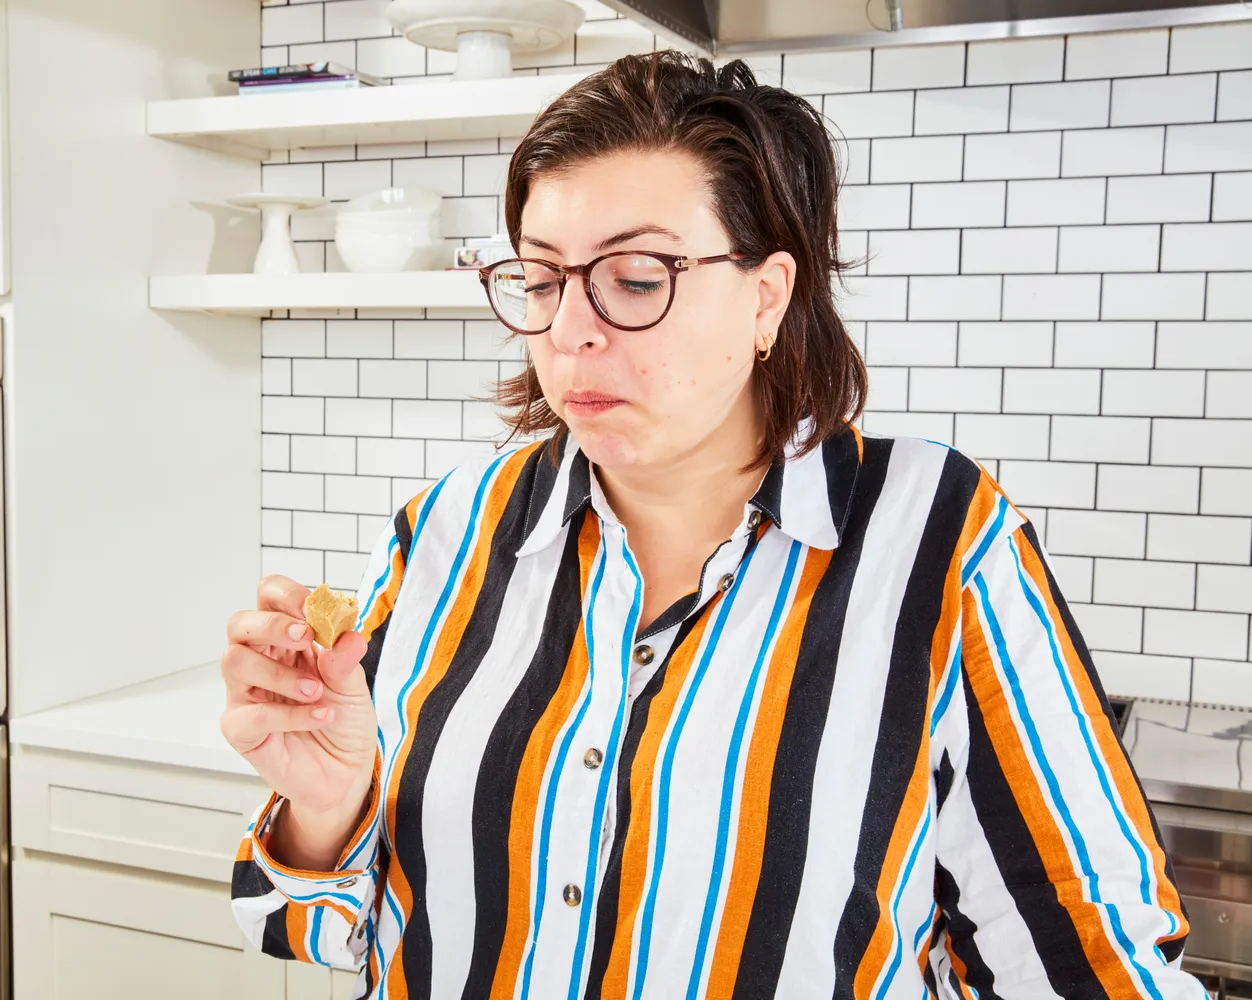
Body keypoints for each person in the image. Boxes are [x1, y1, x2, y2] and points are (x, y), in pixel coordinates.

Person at [220, 50, 1202, 999]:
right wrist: (326, 801)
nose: (571, 331)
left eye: (637, 279)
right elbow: (316, 920)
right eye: (541, 279)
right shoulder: (449, 530)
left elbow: (1091, 970)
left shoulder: (941, 546)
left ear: (767, 296)